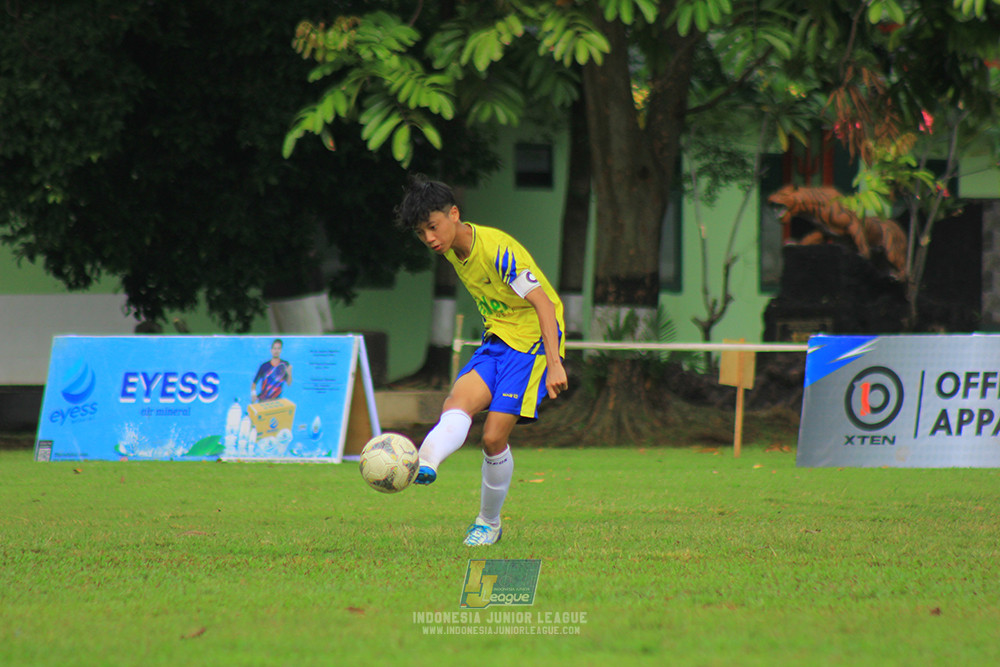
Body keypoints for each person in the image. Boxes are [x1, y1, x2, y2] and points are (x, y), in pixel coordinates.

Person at [395, 175, 568, 546]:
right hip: (498, 339)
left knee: (492, 439)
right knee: (457, 402)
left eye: (433, 226)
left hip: (533, 342)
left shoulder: (496, 250)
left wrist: (554, 363)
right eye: (421, 232)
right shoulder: (453, 251)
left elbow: (543, 304)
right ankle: (426, 461)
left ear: (454, 214)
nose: (429, 238)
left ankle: (488, 523)